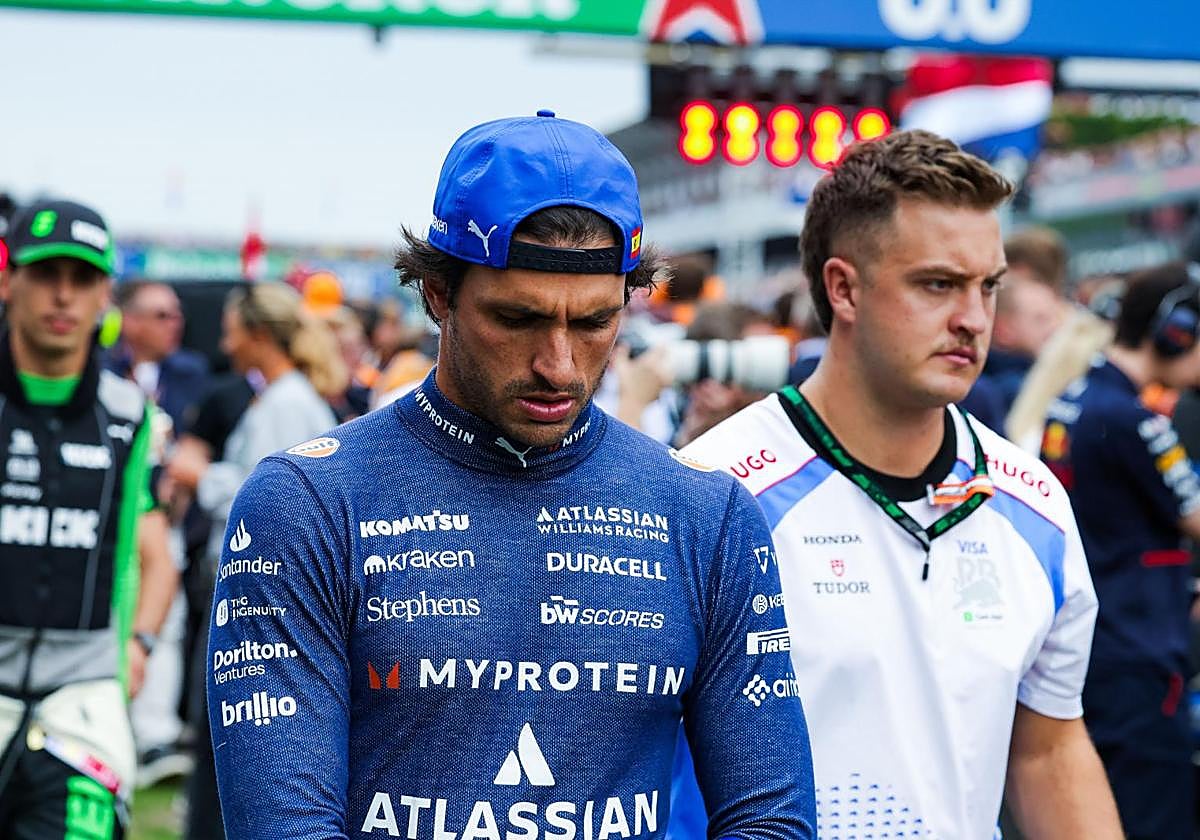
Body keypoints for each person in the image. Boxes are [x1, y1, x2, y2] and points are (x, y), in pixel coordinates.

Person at [207, 110, 816, 838]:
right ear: (438, 294)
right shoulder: (305, 505)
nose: (558, 365)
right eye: (518, 319)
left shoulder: (705, 513)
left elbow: (770, 819)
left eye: (593, 323)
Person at [670, 130, 1122, 839]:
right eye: (938, 284)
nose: (973, 318)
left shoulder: (1033, 504)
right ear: (843, 288)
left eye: (988, 286)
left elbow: (1048, 751)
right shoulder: (710, 495)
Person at [0, 198, 178, 838]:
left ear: (105, 296)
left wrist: (140, 645)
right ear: (8, 280)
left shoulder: (130, 415)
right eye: (46, 274)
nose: (63, 296)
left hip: (80, 702)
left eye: (82, 279)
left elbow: (156, 557)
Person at [1041, 262, 1200, 839]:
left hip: (1093, 642)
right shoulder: (1135, 421)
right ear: (1175, 333)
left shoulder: (1072, 399)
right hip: (1140, 655)